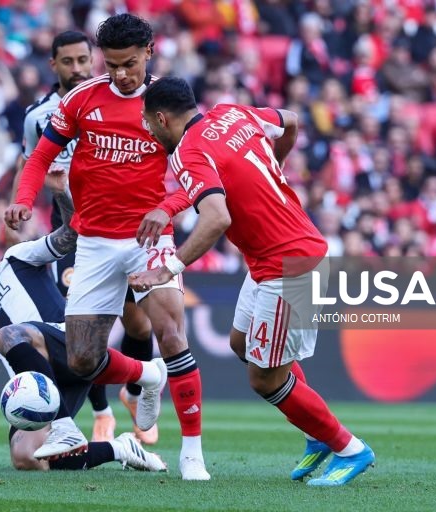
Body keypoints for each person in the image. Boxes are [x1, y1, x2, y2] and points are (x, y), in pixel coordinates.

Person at [130, 77, 376, 486]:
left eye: (149, 124)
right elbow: (292, 121)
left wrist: (166, 269)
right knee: (242, 344)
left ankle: (348, 447)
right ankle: (315, 431)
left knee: (264, 378)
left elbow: (217, 219)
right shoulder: (232, 113)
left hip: (289, 264)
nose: (150, 132)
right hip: (270, 258)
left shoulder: (189, 153)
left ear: (160, 118)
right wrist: (270, 169)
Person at [6, 14, 209, 480]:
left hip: (150, 239)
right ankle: (146, 376)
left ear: (150, 53)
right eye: (112, 64)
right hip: (94, 243)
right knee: (81, 359)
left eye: (130, 64)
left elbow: (200, 175)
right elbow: (40, 156)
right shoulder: (82, 98)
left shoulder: (168, 103)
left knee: (172, 335)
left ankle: (192, 454)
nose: (120, 74)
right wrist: (22, 200)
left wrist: (169, 207)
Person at [0, 184, 165, 473]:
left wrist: (60, 189)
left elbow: (72, 234)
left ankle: (65, 425)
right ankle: (119, 448)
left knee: (9, 335)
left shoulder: (17, 259)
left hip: (72, 346)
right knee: (28, 458)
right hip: (46, 389)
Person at [12, 30, 158, 445]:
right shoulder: (40, 115)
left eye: (84, 60)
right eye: (68, 62)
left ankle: (136, 389)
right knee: (78, 335)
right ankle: (97, 413)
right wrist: (20, 207)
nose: (78, 69)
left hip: (130, 232)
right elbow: (33, 161)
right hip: (75, 237)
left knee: (138, 324)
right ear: (53, 65)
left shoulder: (137, 100)